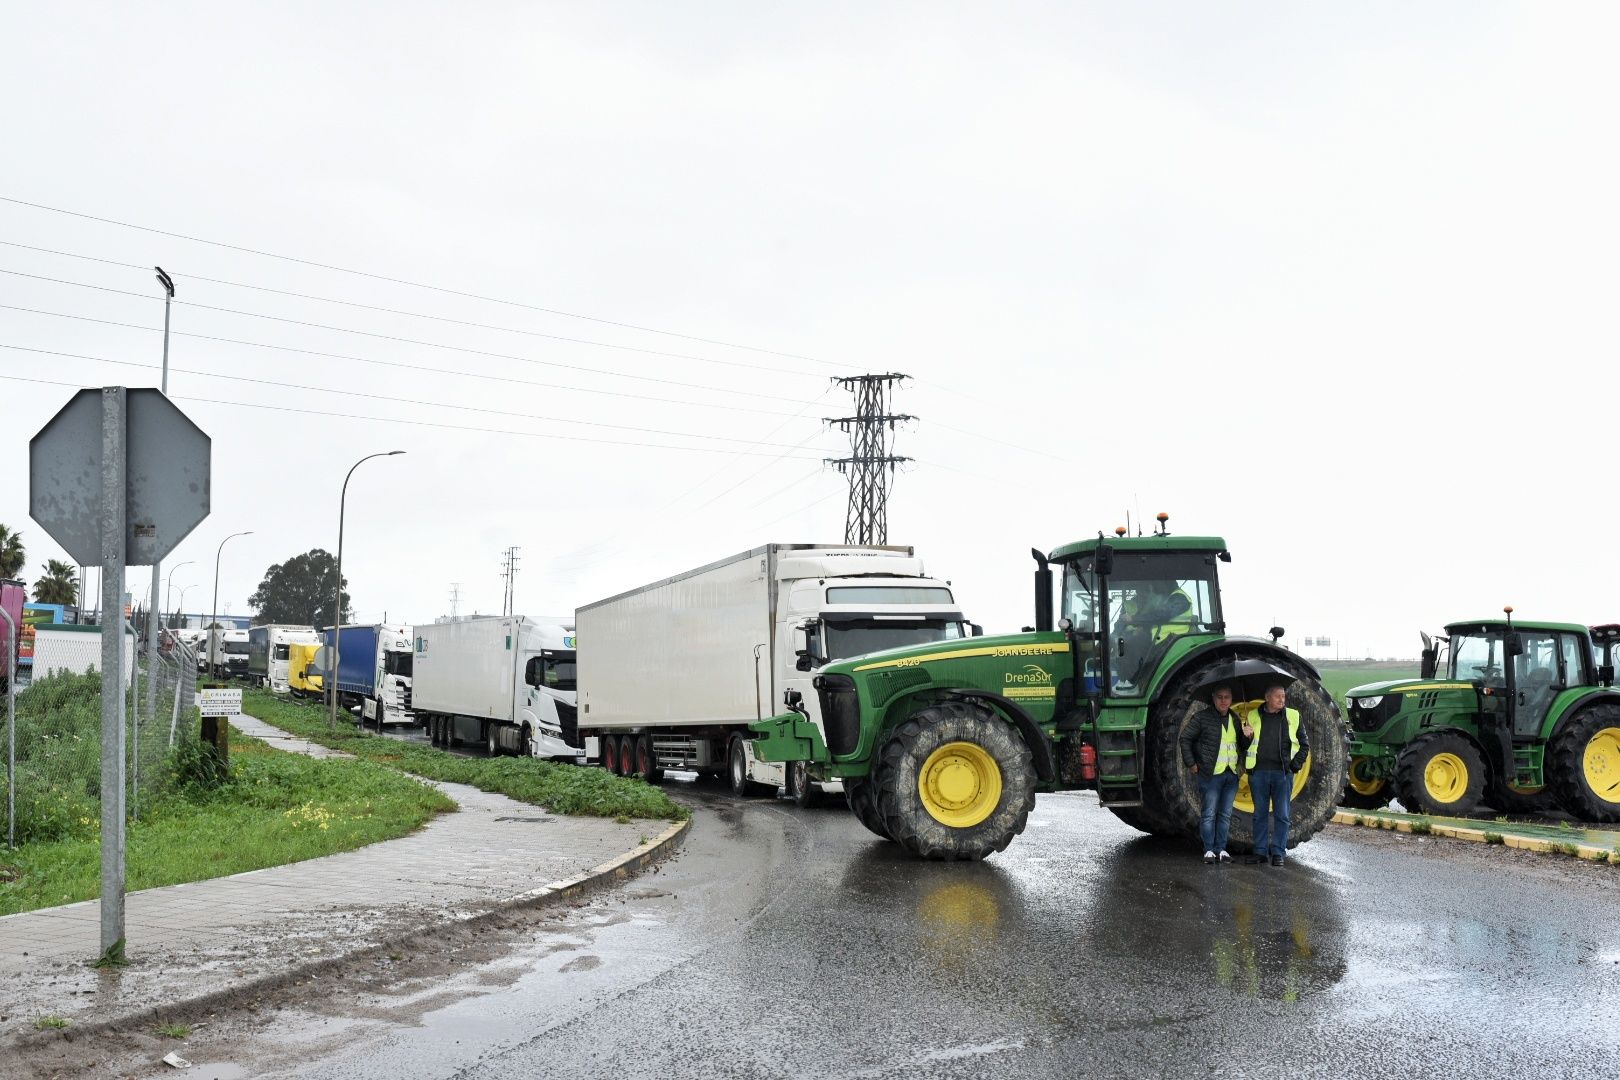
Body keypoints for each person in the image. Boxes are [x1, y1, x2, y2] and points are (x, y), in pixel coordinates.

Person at [1243, 683, 1309, 866]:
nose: (1282, 700)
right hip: (1259, 773)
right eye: (1278, 696)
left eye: (1284, 696)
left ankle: (1279, 853)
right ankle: (1260, 852)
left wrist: (1294, 766)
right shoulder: (1253, 715)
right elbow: (1245, 745)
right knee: (1259, 814)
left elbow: (1304, 745)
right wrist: (1245, 736)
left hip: (1282, 774)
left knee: (1282, 814)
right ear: (1267, 698)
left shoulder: (1293, 716)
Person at [1180, 684, 1246, 863]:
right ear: (1213, 698)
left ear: (1231, 699)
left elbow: (1241, 746)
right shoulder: (1201, 718)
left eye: (1227, 697)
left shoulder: (1235, 719)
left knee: (1225, 814)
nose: (1223, 701)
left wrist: (1248, 736)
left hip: (1231, 774)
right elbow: (1185, 738)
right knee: (1209, 813)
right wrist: (1191, 763)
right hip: (1211, 775)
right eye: (1220, 697)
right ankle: (1208, 850)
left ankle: (1221, 850)